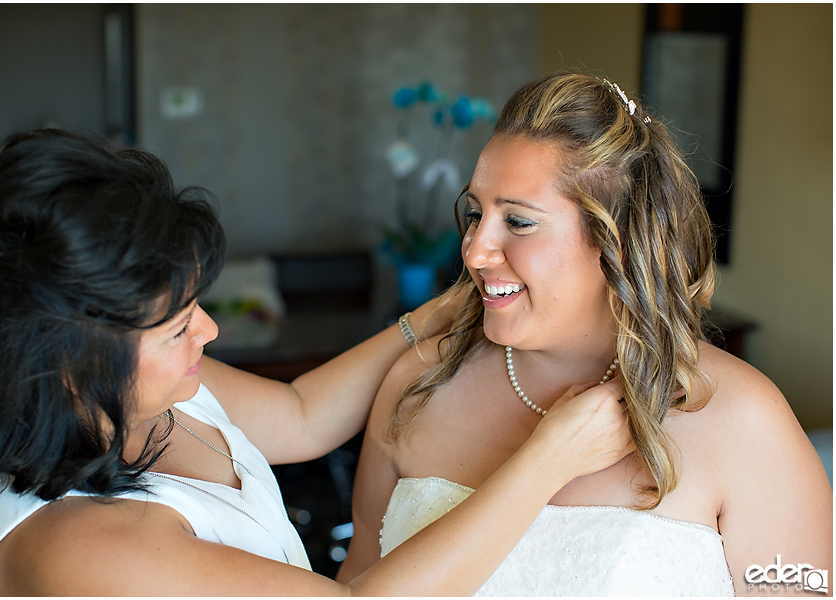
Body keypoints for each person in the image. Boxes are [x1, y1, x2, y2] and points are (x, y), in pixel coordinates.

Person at [0, 129, 634, 596]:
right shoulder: (82, 548)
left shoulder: (145, 392)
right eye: (179, 325)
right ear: (69, 365)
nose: (209, 331)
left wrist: (439, 312)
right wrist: (549, 460)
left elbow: (301, 415)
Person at [336, 73, 833, 596]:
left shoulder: (743, 420)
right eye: (476, 214)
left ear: (618, 239)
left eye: (520, 222)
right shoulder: (418, 385)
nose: (475, 251)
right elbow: (356, 582)